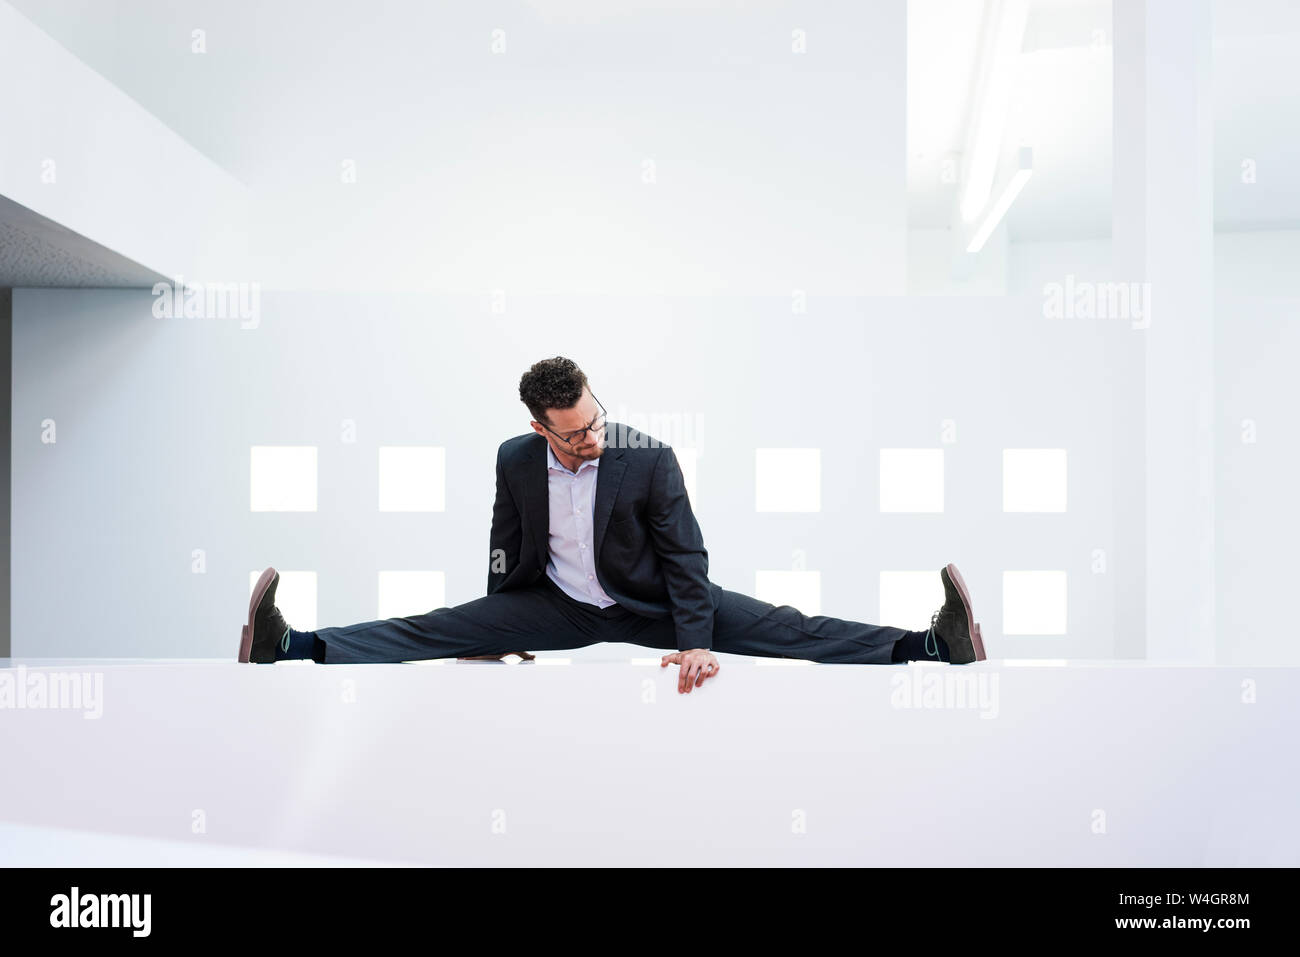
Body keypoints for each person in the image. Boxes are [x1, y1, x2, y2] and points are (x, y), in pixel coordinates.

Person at [237, 356, 986, 693]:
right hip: (558, 605)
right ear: (539, 427)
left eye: (595, 418)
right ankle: (290, 645)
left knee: (787, 627)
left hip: (654, 602)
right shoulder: (514, 458)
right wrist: (493, 625)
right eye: (573, 431)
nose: (592, 434)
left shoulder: (647, 457)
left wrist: (695, 638)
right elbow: (506, 545)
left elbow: (687, 555)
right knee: (432, 626)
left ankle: (931, 644)